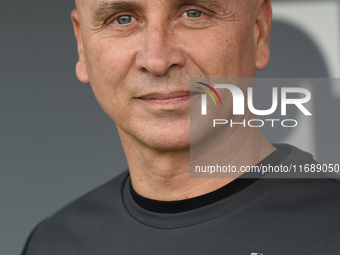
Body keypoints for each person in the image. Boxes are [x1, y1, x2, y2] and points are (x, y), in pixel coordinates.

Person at [22, 0, 340, 254]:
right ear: (81, 44)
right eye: (122, 18)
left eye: (193, 12)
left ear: (258, 31)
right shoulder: (52, 243)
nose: (157, 59)